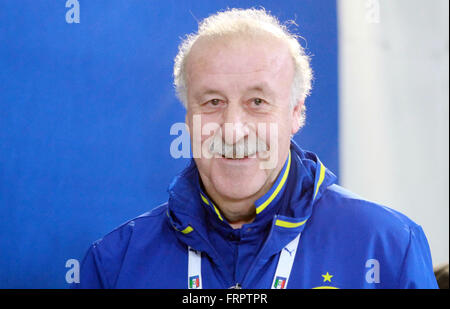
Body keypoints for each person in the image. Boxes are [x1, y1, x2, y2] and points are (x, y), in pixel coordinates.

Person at [72, 8, 438, 289]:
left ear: (296, 113)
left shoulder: (388, 248)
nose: (233, 130)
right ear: (188, 117)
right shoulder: (116, 263)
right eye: (213, 101)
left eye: (258, 102)